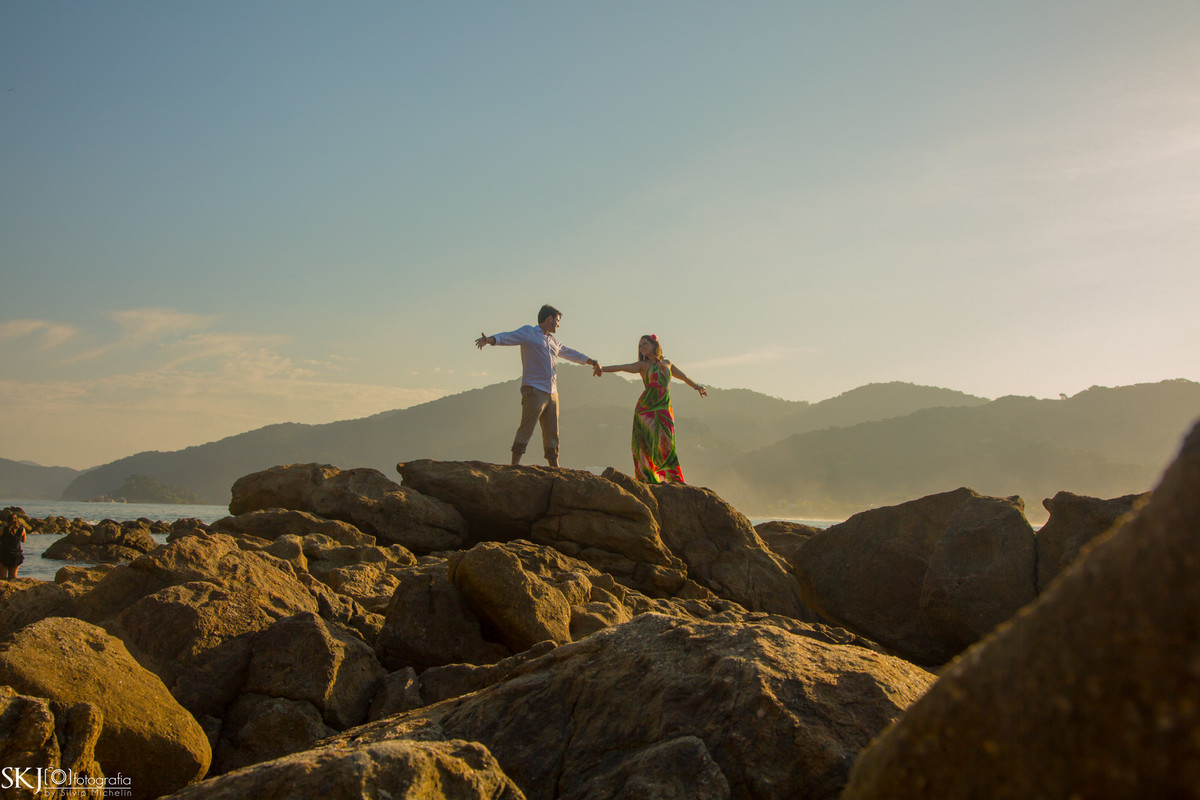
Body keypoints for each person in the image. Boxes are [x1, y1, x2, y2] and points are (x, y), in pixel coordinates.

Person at [476, 305, 602, 467]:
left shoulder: (554, 341)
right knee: (527, 428)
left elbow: (572, 353)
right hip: (534, 389)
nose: (558, 324)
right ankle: (514, 466)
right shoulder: (529, 332)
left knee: (552, 432)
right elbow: (508, 337)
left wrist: (593, 362)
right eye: (557, 321)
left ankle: (554, 468)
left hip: (552, 392)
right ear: (549, 318)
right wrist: (489, 340)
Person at [600, 334, 707, 483]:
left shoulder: (668, 363)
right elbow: (622, 367)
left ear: (654, 345)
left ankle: (672, 478)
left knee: (667, 443)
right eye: (640, 346)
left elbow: (683, 377)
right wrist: (601, 368)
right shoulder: (642, 366)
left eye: (644, 344)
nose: (642, 347)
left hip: (664, 408)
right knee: (646, 444)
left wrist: (697, 386)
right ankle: (648, 478)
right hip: (646, 410)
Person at [1, 507, 30, 580]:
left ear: (7, 521)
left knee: (2, 577)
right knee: (13, 577)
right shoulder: (22, 529)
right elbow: (23, 540)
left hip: (4, 554)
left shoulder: (2, 530)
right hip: (16, 555)